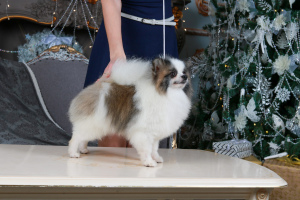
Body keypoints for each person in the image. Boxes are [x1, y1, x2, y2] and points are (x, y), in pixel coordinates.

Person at [84, 0, 178, 147]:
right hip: (121, 37)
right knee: (113, 144)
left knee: (145, 146)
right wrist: (117, 56)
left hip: (161, 37)